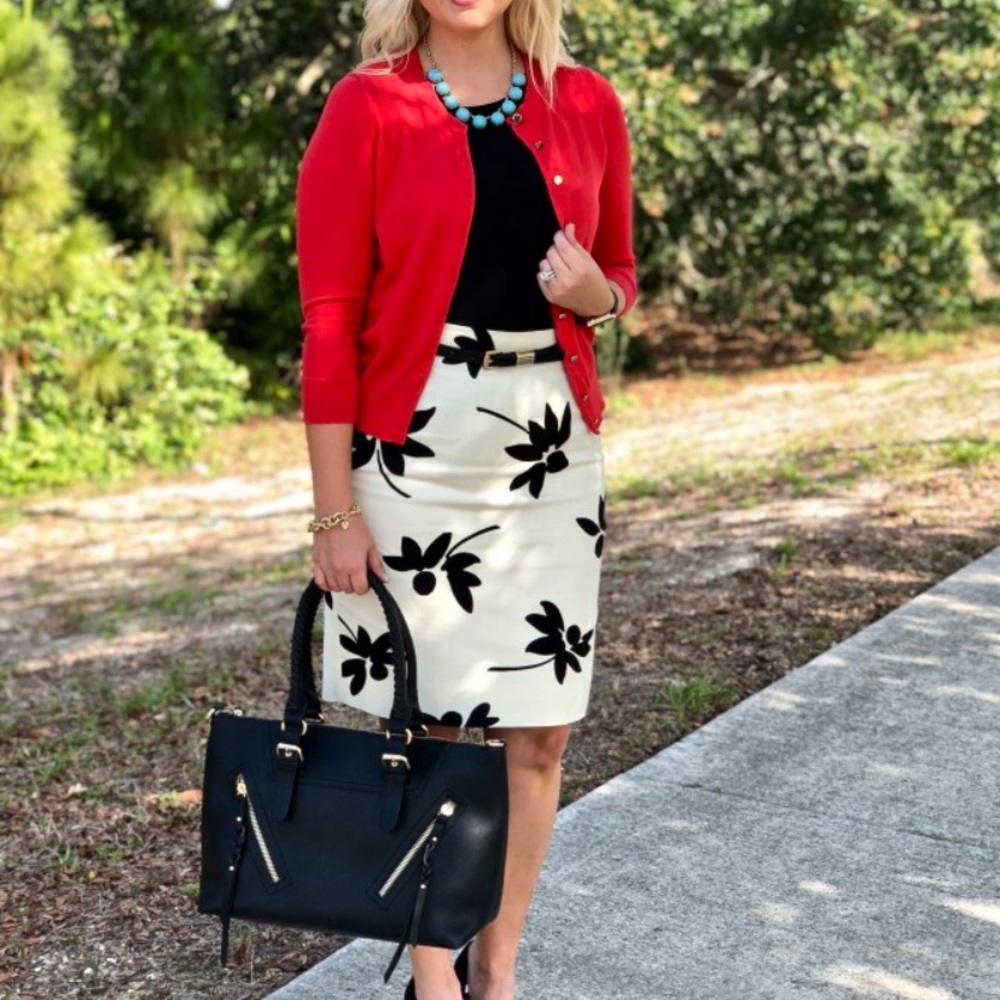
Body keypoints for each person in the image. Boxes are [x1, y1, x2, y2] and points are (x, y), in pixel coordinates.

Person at [295, 0, 636, 996]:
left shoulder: (587, 103)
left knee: (540, 731)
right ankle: (433, 974)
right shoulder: (366, 108)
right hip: (416, 449)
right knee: (431, 723)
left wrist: (597, 299)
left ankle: (499, 972)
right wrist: (332, 511)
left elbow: (617, 272)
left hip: (549, 448)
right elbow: (328, 323)